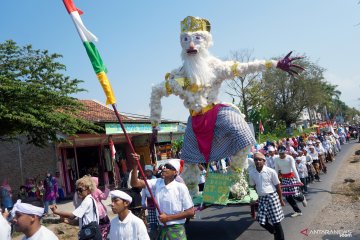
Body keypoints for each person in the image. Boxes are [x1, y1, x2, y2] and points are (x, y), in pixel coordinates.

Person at [149, 16, 304, 195]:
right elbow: (157, 92)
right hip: (195, 119)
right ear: (182, 44)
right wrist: (154, 126)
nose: (191, 45)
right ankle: (190, 191)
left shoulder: (215, 68)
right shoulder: (180, 76)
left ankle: (235, 177)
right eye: (186, 39)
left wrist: (275, 63)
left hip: (217, 112)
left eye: (196, 39)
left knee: (244, 135)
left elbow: (244, 67)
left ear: (205, 42)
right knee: (188, 157)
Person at [131, 154, 195, 240]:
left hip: (176, 230)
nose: (164, 168)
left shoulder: (180, 187)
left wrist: (168, 218)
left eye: (168, 167)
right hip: (162, 229)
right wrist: (135, 165)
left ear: (175, 172)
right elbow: (135, 183)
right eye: (165, 166)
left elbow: (191, 212)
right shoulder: (157, 182)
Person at [249, 152, 285, 240]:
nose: (257, 162)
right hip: (262, 199)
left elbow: (278, 186)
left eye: (260, 160)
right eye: (256, 160)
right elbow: (253, 187)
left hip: (272, 197)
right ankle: (273, 231)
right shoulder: (252, 173)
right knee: (261, 220)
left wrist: (281, 199)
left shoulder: (271, 171)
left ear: (264, 161)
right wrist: (253, 198)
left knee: (276, 222)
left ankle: (279, 237)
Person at [275, 146, 307, 217]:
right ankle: (297, 211)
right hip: (284, 178)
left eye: (283, 154)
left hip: (291, 177)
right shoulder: (276, 159)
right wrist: (276, 181)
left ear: (285, 152)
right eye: (280, 154)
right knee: (287, 197)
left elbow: (294, 169)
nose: (281, 155)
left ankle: (302, 198)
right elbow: (276, 170)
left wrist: (298, 180)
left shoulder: (290, 158)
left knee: (295, 194)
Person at [142, 165, 158, 239]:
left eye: (149, 171)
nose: (147, 173)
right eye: (146, 172)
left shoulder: (156, 180)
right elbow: (144, 193)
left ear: (152, 172)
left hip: (157, 202)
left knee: (159, 219)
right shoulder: (144, 181)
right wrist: (143, 203)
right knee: (152, 222)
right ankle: (154, 235)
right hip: (149, 202)